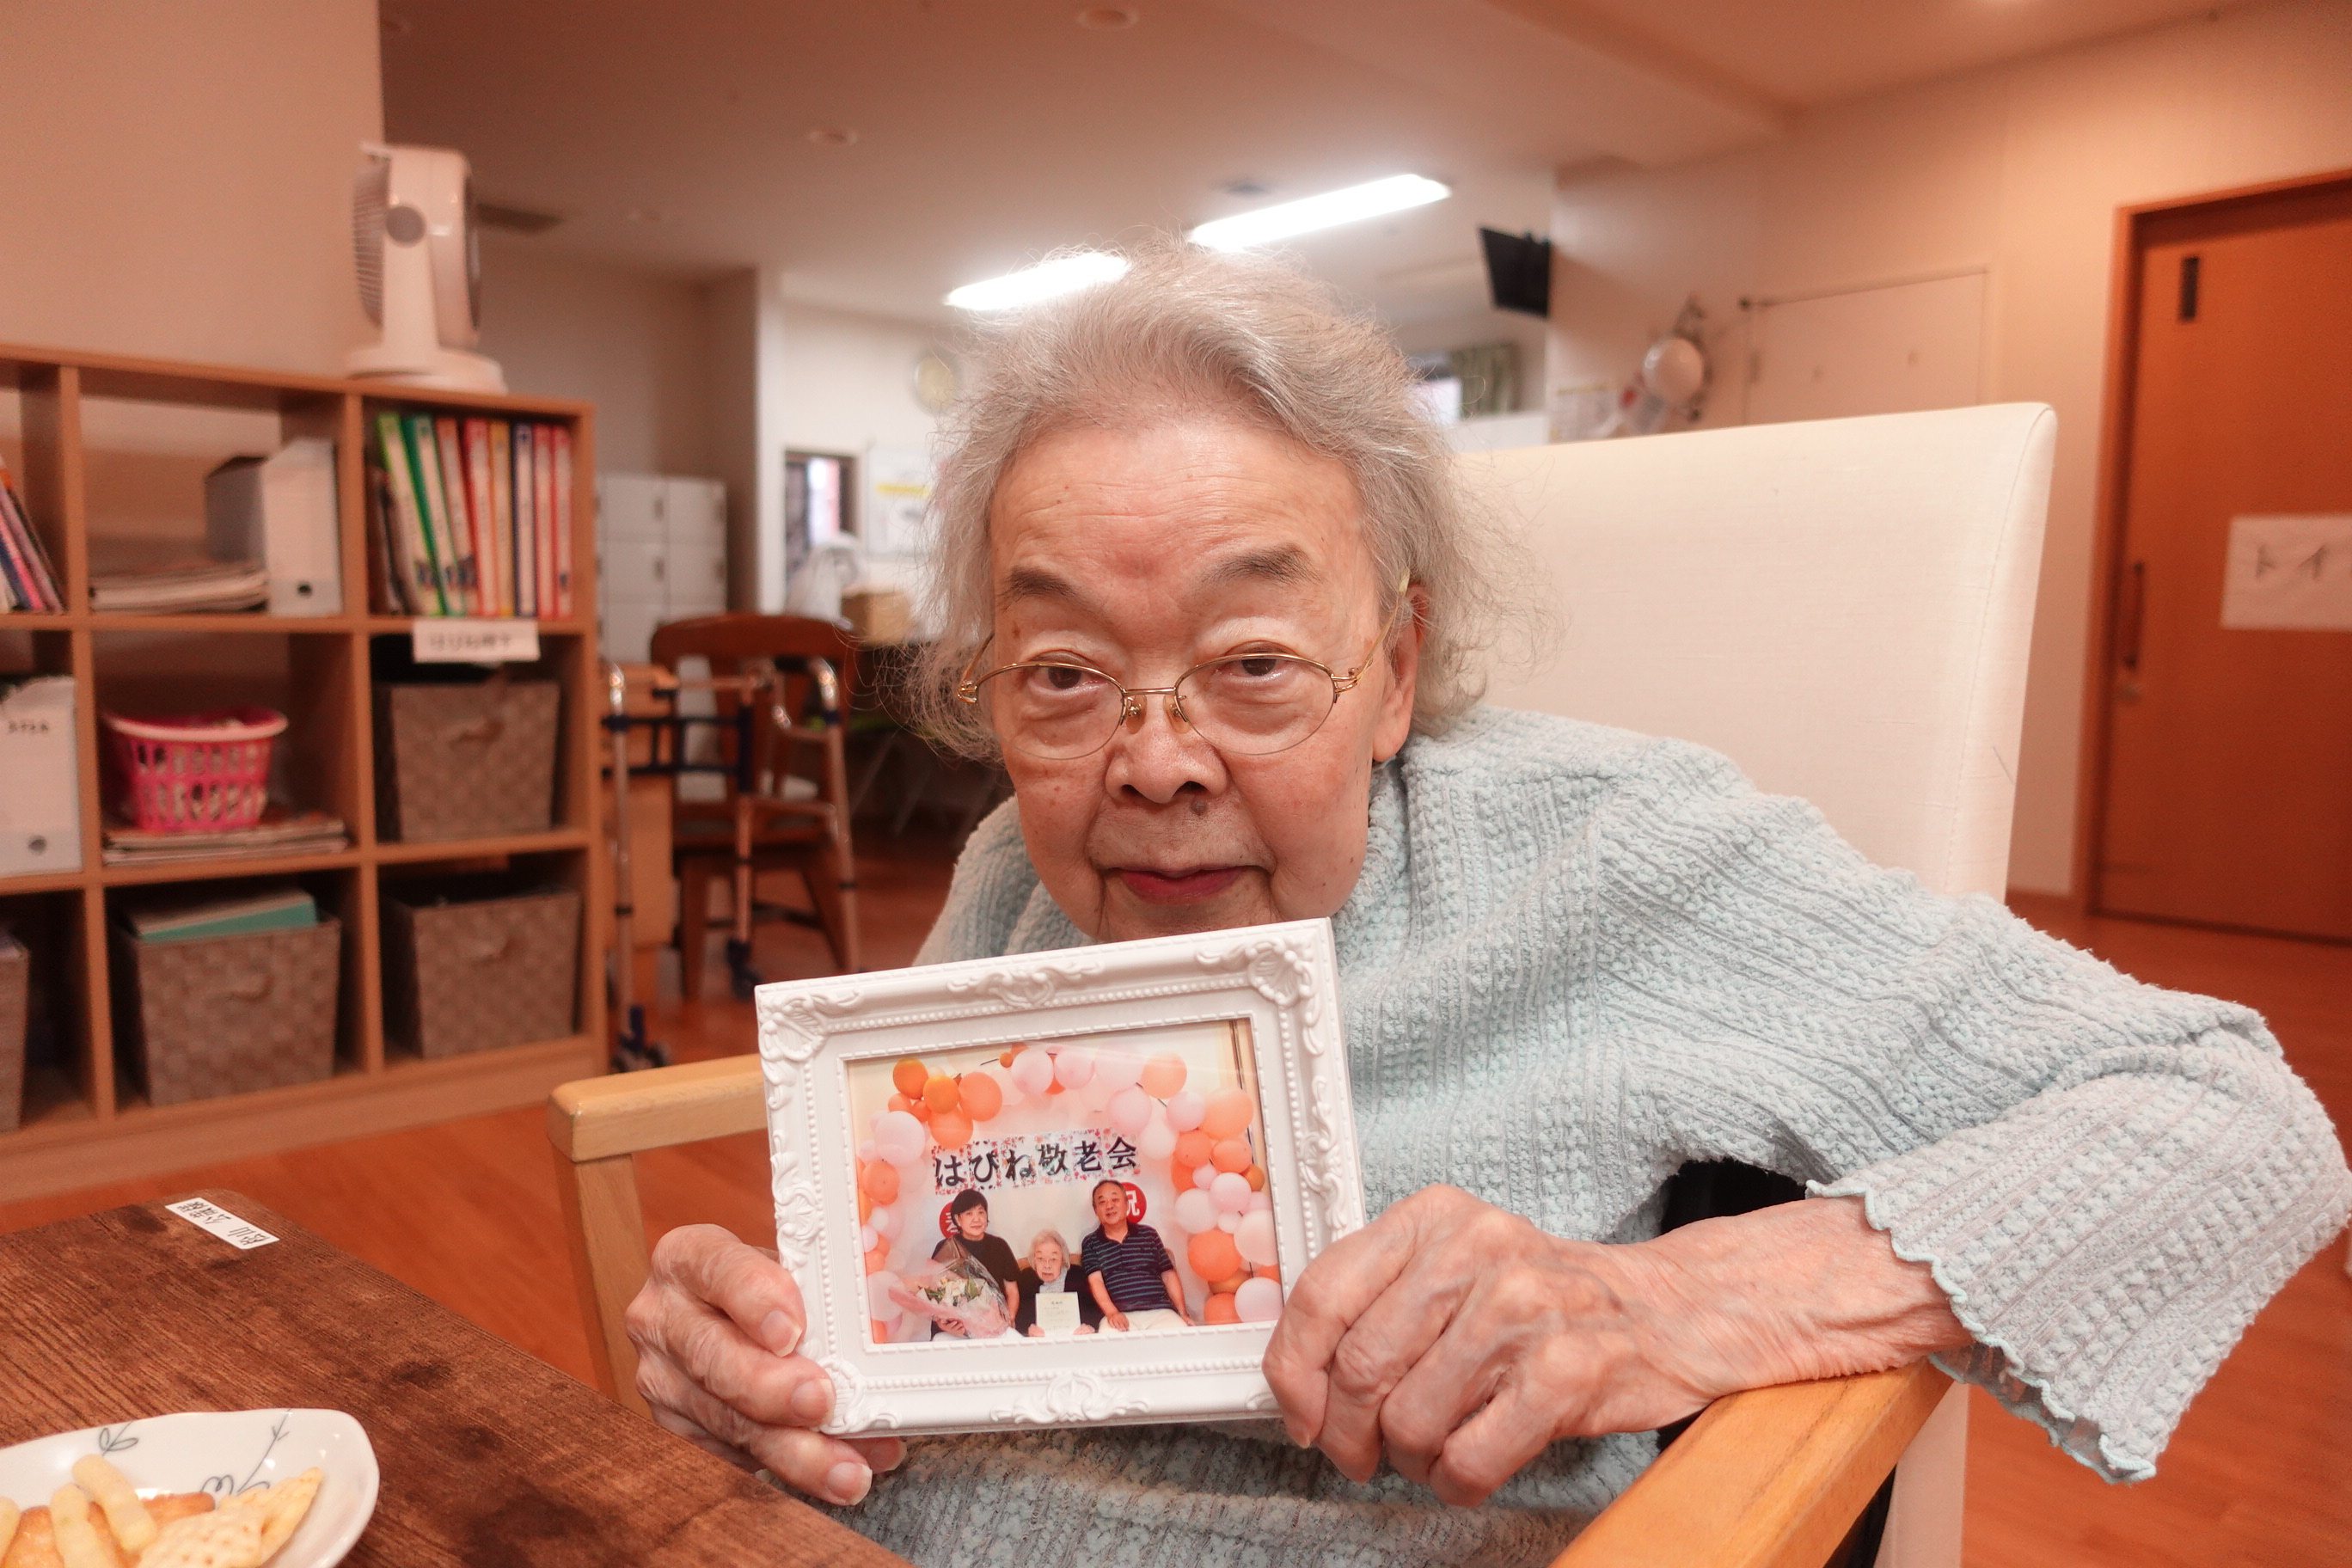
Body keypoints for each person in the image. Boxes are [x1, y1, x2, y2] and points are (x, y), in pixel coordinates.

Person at [622, 239, 2352, 1567]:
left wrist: (1675, 1304)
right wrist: (773, 1355)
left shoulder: (1598, 855)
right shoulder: (1016, 864)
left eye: (1252, 661)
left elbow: (2229, 1110)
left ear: (1396, 668)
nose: (1149, 763)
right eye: (1063, 673)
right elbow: (941, 1291)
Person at [1076, 1179, 1190, 1332]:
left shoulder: (1148, 1234)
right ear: (1096, 1210)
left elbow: (1168, 1275)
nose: (1109, 1206)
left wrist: (1182, 1313)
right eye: (1102, 1202)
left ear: (1126, 1204)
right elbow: (1095, 1281)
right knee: (1108, 1336)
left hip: (1160, 1311)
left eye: (1115, 1200)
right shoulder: (1091, 1243)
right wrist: (1112, 1313)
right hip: (1119, 1315)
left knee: (1179, 1331)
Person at [926, 1189, 1020, 1338]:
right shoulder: (946, 1248)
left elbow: (1012, 1290)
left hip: (994, 1326)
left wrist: (1009, 1319)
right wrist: (943, 1323)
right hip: (956, 1329)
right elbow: (934, 1294)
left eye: (981, 1212)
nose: (977, 1219)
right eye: (969, 1214)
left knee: (1016, 1343)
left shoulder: (999, 1246)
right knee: (941, 1342)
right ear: (958, 1219)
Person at [1013, 1228, 1099, 1337]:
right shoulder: (1026, 1279)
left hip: (1074, 1339)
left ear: (1062, 1260)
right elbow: (1018, 1317)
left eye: (1053, 1259)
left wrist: (1088, 1326)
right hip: (1040, 1341)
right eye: (1040, 1259)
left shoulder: (1078, 1276)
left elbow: (1094, 1310)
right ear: (1033, 1259)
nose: (1047, 1266)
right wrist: (1028, 1329)